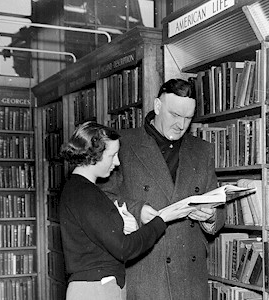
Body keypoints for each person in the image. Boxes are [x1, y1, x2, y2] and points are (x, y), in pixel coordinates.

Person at [101, 78, 226, 299]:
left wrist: (210, 216)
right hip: (146, 271)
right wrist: (137, 210)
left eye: (188, 118)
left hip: (190, 276)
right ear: (158, 106)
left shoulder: (202, 150)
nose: (181, 124)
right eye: (175, 115)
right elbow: (102, 198)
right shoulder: (124, 144)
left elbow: (217, 204)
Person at [59, 121, 195, 300]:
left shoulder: (79, 189)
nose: (117, 162)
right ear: (93, 156)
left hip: (98, 287)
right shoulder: (85, 193)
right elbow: (124, 249)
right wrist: (162, 219)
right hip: (97, 290)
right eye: (112, 155)